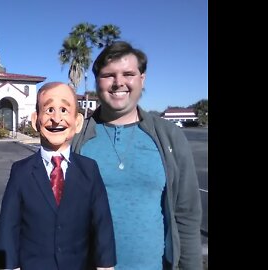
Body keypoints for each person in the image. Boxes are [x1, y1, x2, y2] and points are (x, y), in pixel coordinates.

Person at [72, 41, 203, 269]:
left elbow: (187, 214)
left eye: (128, 74)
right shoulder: (76, 139)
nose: (119, 82)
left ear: (142, 79)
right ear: (97, 82)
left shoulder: (169, 137)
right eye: (108, 75)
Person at [0, 82, 116, 270]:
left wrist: (106, 265)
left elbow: (102, 224)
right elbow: (8, 227)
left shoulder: (89, 170)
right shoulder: (21, 172)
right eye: (49, 110)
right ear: (36, 120)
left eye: (64, 110)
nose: (56, 118)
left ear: (77, 122)